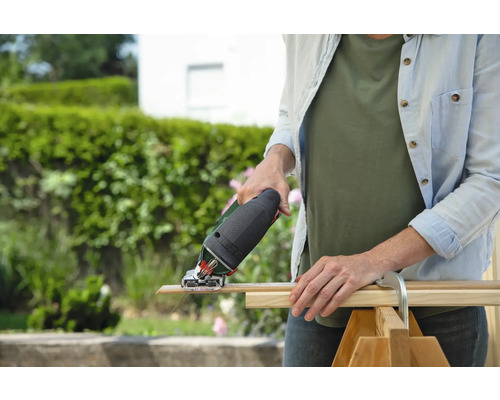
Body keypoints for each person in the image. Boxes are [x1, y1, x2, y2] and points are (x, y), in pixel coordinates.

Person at [237, 34, 500, 367]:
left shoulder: (476, 33)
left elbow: (490, 179)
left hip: (437, 304)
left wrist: (374, 261)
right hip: (317, 299)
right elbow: (293, 110)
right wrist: (275, 159)